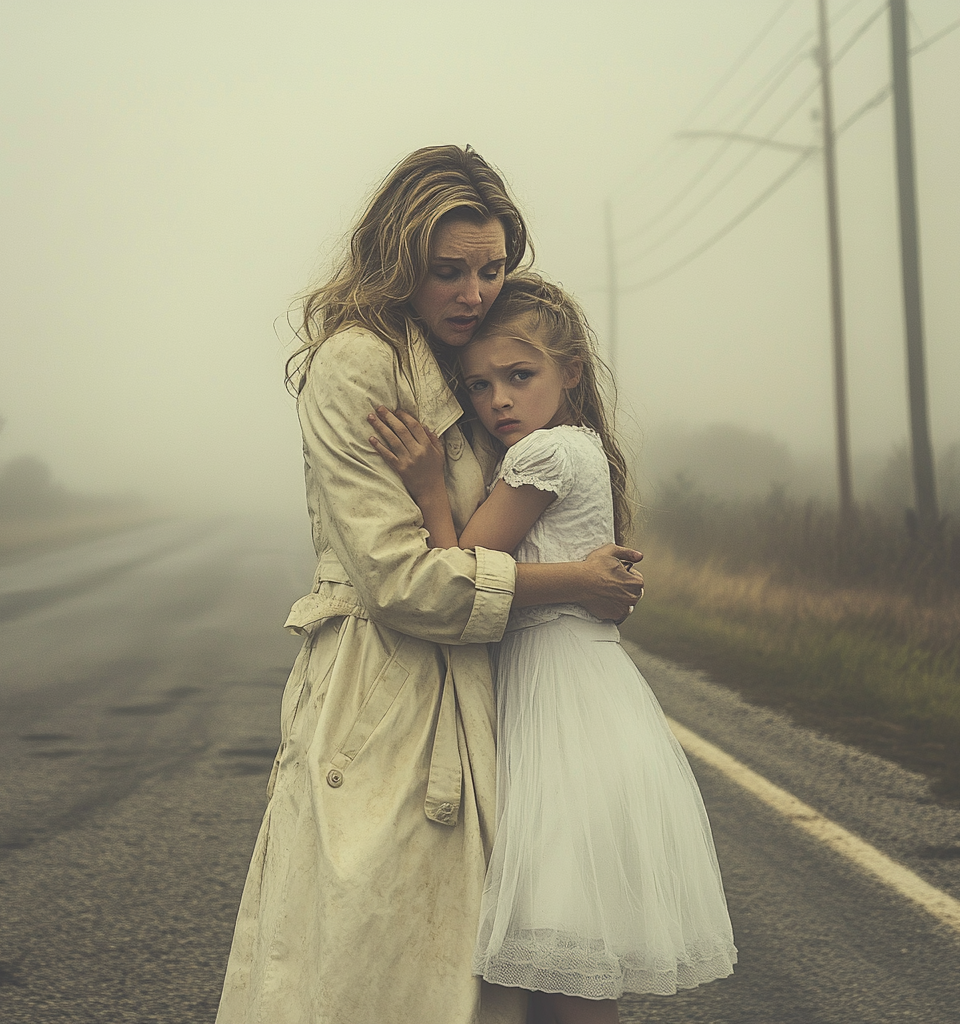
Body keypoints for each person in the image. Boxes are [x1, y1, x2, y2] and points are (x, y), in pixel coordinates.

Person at [214, 146, 645, 1024]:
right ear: (399, 259)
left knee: (526, 968)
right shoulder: (357, 366)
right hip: (388, 698)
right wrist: (573, 582)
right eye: (448, 271)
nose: (474, 293)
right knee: (381, 973)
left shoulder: (460, 353)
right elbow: (403, 583)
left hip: (489, 690)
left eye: (491, 269)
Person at [368, 273, 738, 1024]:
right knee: (556, 960)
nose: (497, 399)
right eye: (478, 385)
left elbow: (464, 568)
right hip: (575, 692)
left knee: (553, 961)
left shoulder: (549, 456)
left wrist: (430, 487)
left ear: (570, 372)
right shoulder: (573, 447)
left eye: (519, 376)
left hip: (562, 706)